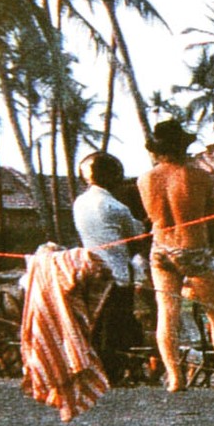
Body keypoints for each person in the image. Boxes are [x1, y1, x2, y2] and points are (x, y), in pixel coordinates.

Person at [136, 119, 214, 391]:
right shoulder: (200, 176)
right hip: (193, 248)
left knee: (167, 314)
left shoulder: (145, 179)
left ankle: (175, 378)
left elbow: (150, 215)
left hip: (161, 249)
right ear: (183, 147)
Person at [70, 151, 146, 383]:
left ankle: (96, 371)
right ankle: (113, 373)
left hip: (90, 268)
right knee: (116, 326)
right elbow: (136, 233)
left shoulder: (79, 203)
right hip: (116, 272)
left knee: (95, 323)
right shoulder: (116, 207)